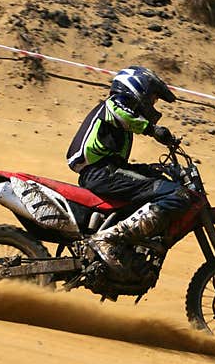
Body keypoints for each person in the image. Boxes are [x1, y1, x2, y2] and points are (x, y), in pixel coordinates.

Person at [65, 66, 190, 269]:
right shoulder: (113, 105)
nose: (152, 103)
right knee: (176, 194)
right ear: (136, 89)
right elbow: (123, 114)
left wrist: (158, 169)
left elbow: (124, 165)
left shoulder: (121, 124)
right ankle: (109, 239)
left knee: (156, 179)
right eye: (152, 97)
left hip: (105, 171)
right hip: (101, 173)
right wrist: (152, 130)